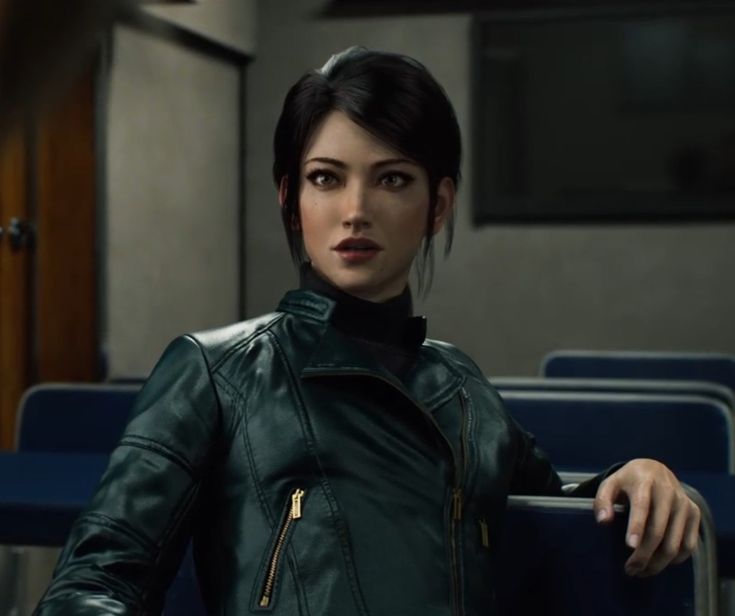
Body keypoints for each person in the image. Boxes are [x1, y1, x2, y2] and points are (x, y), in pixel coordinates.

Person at [34, 47, 700, 616]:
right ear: (290, 200)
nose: (355, 210)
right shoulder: (215, 372)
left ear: (438, 204)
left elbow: (554, 515)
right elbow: (94, 583)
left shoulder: (463, 388)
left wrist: (636, 476)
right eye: (326, 178)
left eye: (392, 179)